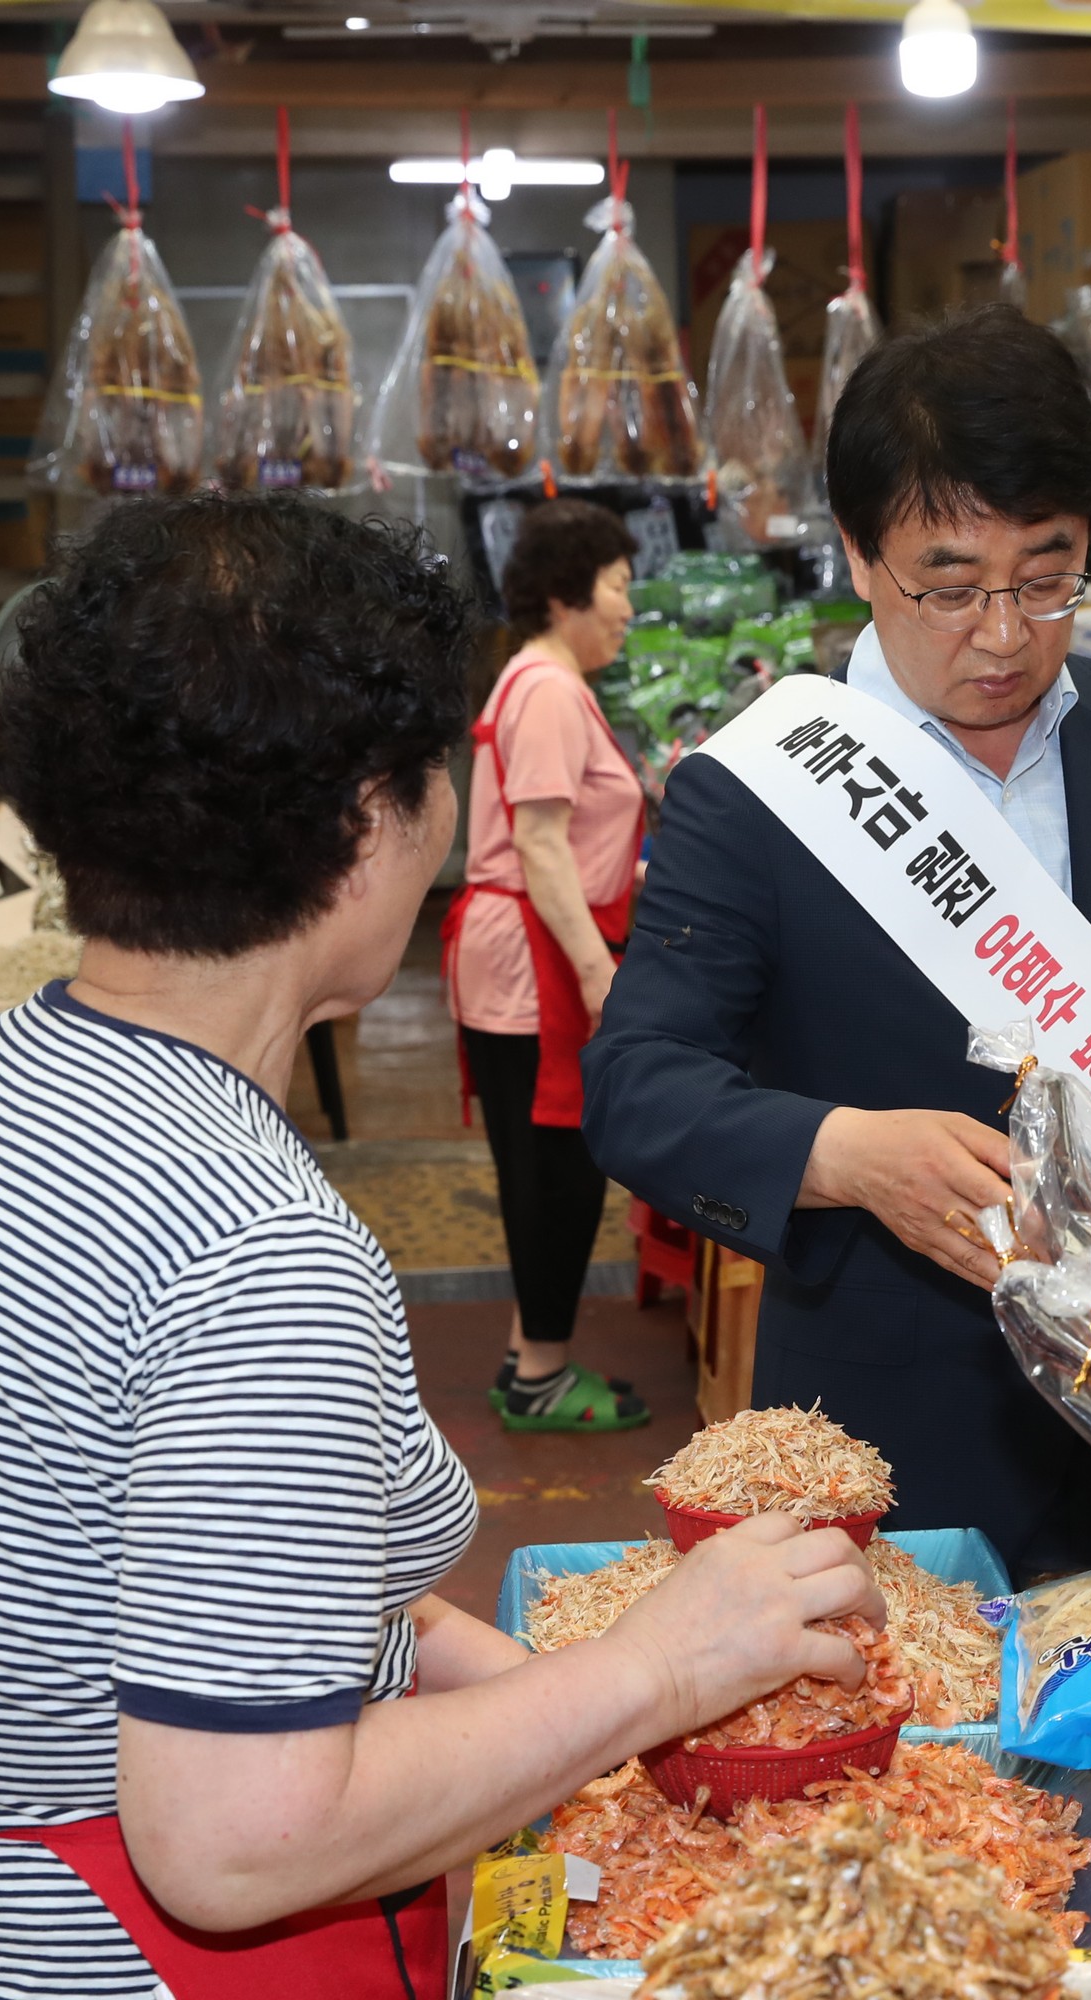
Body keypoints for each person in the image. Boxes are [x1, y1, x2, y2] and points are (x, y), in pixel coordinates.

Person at [0, 496, 881, 1997]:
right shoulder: (255, 1254)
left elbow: (205, 1586)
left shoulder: (1, 1078)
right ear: (374, 821)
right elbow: (232, 1844)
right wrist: (658, 1668)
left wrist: (586, 1709)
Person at [583, 306, 1091, 1577]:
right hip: (902, 1438)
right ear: (859, 556)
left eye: (1049, 579)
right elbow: (639, 1085)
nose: (1003, 632)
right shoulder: (760, 785)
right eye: (950, 583)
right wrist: (843, 1152)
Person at [443, 499, 649, 1433]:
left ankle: (533, 1353)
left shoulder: (539, 681)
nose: (628, 609)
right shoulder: (549, 690)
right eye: (617, 587)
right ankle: (541, 1375)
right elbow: (540, 844)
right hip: (535, 960)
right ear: (567, 595)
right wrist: (597, 968)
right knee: (554, 1167)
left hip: (529, 950)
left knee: (546, 1160)